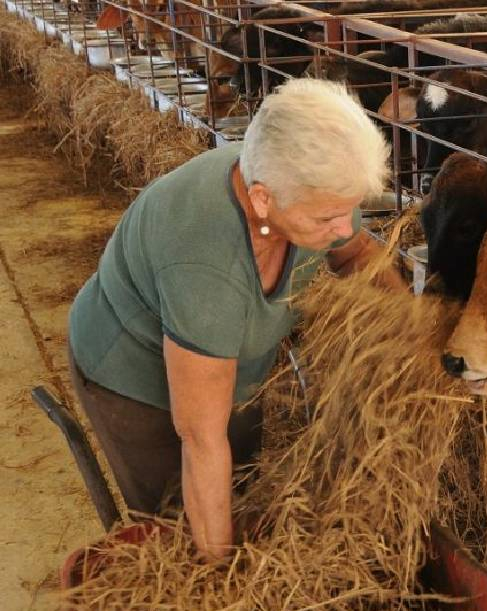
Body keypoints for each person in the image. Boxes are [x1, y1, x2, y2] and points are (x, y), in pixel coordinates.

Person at [67, 78, 404, 560]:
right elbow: (201, 440)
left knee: (242, 477)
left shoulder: (303, 194)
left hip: (228, 357)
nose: (342, 227)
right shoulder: (205, 264)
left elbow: (356, 254)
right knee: (179, 521)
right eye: (329, 216)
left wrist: (410, 327)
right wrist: (223, 581)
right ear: (265, 199)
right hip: (132, 376)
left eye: (350, 209)